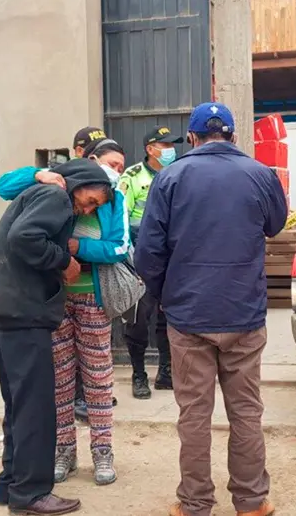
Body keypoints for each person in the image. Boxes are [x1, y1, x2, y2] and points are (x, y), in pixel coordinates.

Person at [134, 103, 288, 516]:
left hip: (189, 317)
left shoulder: (169, 177)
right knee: (246, 412)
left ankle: (196, 504)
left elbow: (147, 252)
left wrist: (164, 294)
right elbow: (276, 225)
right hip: (244, 312)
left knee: (195, 416)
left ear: (192, 138)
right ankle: (252, 502)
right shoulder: (261, 175)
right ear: (234, 137)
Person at [0, 139, 130, 486]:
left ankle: (102, 452)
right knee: (59, 382)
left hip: (92, 300)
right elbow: (3, 187)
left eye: (119, 166)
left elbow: (119, 247)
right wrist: (40, 173)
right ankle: (63, 452)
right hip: (52, 300)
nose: (114, 171)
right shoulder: (56, 187)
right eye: (109, 164)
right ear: (89, 162)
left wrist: (77, 248)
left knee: (99, 381)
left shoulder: (113, 199)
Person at [119, 126, 184, 399]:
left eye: (172, 145)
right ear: (150, 149)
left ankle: (166, 373)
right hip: (140, 257)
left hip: (171, 258)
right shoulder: (132, 177)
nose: (170, 150)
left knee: (168, 315)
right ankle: (138, 374)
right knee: (138, 319)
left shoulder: (179, 173)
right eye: (165, 145)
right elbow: (121, 218)